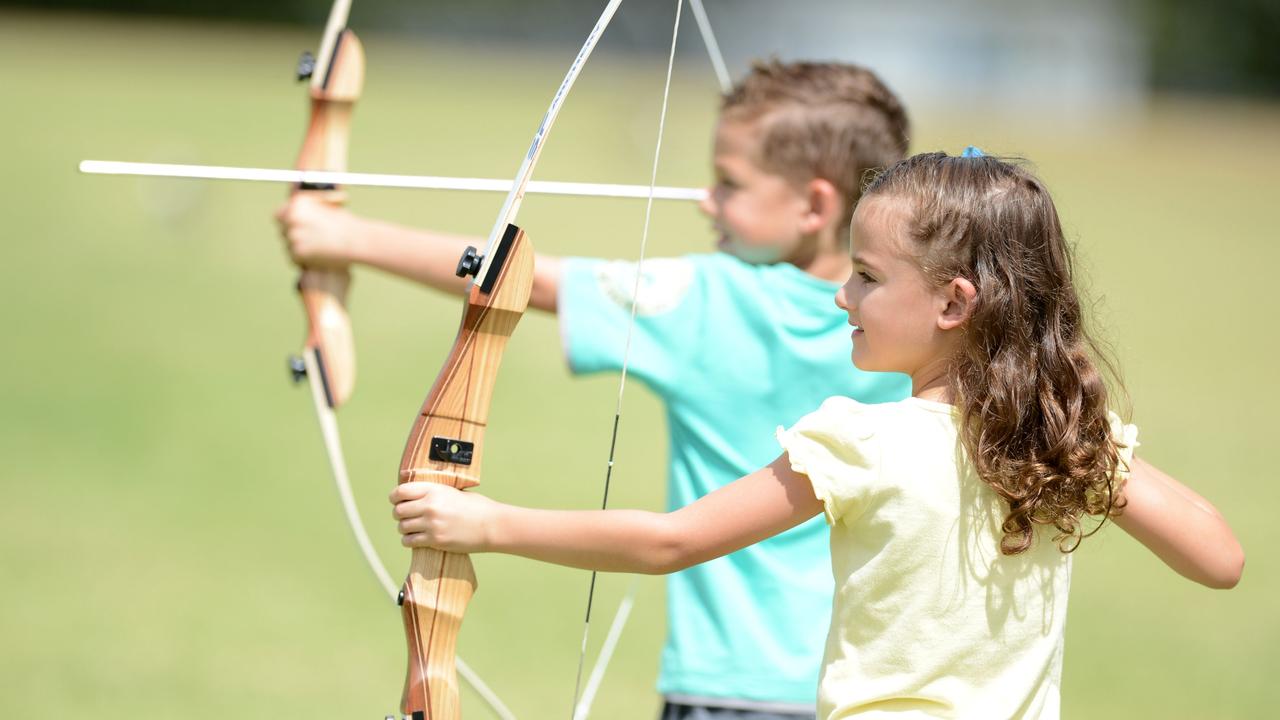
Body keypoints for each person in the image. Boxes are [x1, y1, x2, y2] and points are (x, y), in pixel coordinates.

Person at [388, 151, 1245, 720]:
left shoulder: (859, 442)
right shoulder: (1056, 444)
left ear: (953, 302)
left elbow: (672, 539)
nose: (843, 298)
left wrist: (483, 525)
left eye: (867, 278)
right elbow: (1221, 559)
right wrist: (1093, 447)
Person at [277, 61, 914, 718]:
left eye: (729, 184)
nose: (705, 199)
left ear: (814, 205)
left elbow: (525, 280)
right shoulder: (910, 322)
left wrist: (345, 237)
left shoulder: (715, 301)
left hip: (731, 685)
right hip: (863, 686)